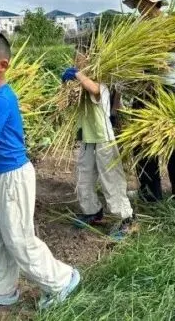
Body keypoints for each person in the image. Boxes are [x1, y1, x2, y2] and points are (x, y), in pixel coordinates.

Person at [0, 31, 80, 311]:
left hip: (12, 178)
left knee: (18, 239)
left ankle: (61, 280)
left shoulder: (1, 99)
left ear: (2, 65)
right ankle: (2, 289)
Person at [123, 0, 175, 202]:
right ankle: (150, 193)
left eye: (143, 1)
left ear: (154, 2)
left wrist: (160, 57)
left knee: (172, 141)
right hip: (143, 90)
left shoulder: (170, 24)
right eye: (137, 2)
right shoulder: (136, 26)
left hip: (166, 89)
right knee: (142, 141)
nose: (140, 6)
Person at [61, 62, 137, 241]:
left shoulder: (101, 83)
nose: (78, 60)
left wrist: (77, 74)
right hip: (87, 138)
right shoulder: (81, 84)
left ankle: (126, 218)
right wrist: (66, 84)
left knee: (111, 178)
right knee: (84, 176)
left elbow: (94, 89)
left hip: (104, 138)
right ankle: (92, 211)